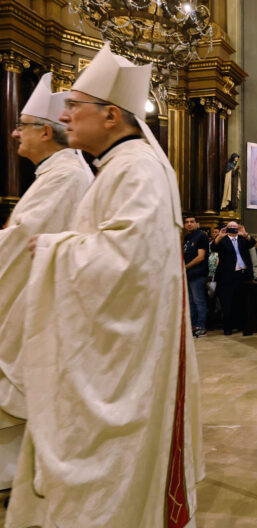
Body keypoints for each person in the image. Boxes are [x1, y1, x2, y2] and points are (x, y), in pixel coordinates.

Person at [12, 43, 203, 527]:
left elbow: (129, 261)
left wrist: (55, 250)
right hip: (117, 349)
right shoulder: (118, 166)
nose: (65, 116)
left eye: (74, 106)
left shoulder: (136, 168)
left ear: (112, 115)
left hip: (131, 357)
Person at [0, 73, 92, 489]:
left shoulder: (65, 176)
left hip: (34, 302)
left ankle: (15, 474)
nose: (14, 131)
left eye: (22, 124)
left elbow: (22, 242)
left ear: (45, 131)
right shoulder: (55, 172)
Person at [212, 221, 255, 335]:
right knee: (227, 302)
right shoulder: (223, 239)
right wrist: (219, 237)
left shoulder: (243, 238)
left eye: (235, 227)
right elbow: (213, 247)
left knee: (241, 301)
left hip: (243, 274)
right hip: (227, 276)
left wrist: (245, 234)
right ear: (226, 228)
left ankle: (240, 325)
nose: (232, 229)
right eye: (230, 227)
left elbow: (253, 243)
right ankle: (227, 327)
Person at [184, 216, 210, 337]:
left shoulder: (202, 236)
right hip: (188, 274)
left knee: (199, 300)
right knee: (190, 301)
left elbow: (201, 257)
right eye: (187, 222)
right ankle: (193, 325)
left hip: (198, 273)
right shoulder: (187, 237)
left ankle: (201, 326)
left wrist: (186, 266)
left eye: (192, 222)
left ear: (197, 224)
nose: (189, 224)